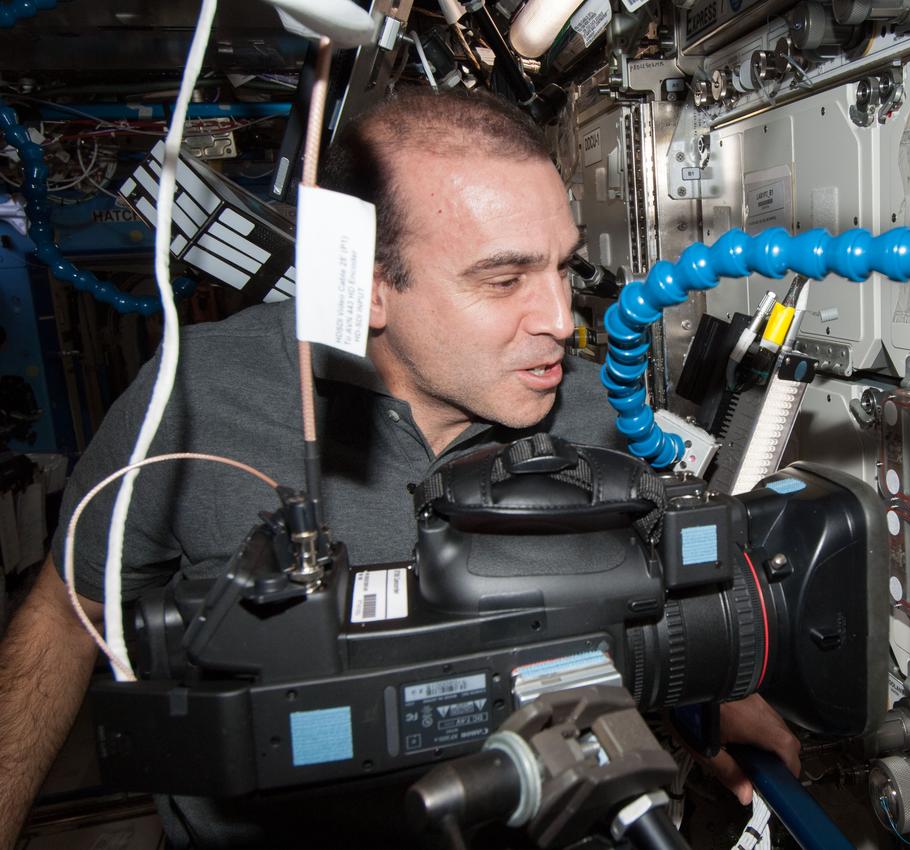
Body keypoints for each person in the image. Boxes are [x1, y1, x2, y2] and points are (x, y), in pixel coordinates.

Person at [0, 89, 799, 849]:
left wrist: (718, 704)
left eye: (564, 268)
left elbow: (652, 604)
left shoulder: (597, 414)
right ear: (371, 286)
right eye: (504, 278)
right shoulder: (197, 394)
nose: (560, 319)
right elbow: (72, 612)